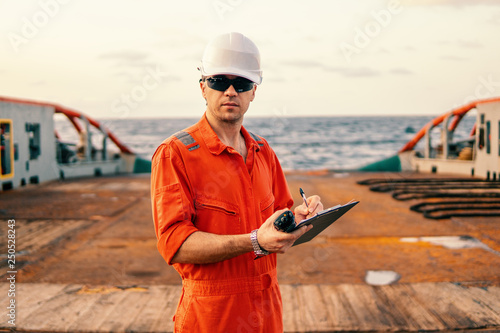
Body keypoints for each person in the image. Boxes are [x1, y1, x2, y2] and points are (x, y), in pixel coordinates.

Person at [151, 32, 323, 333]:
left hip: (267, 312)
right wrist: (254, 241)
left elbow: (278, 220)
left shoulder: (263, 150)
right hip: (211, 317)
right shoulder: (175, 153)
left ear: (253, 91)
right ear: (203, 87)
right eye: (219, 81)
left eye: (241, 84)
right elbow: (174, 245)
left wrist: (297, 217)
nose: (231, 91)